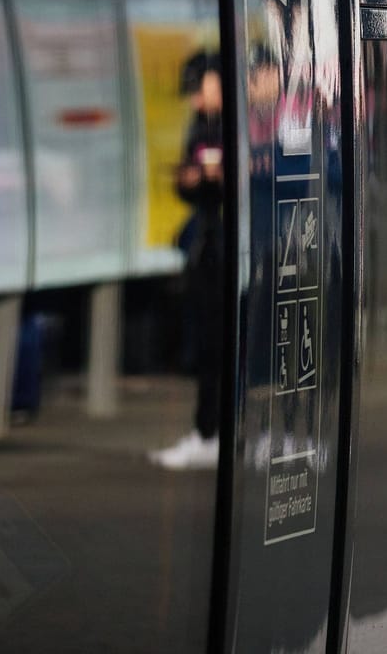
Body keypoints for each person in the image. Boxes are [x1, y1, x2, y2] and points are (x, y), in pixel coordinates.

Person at [150, 50, 227, 471]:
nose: (196, 102)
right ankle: (207, 431)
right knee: (207, 343)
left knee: (223, 345)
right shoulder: (200, 125)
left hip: (236, 247)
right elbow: (186, 177)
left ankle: (216, 432)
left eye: (199, 90)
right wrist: (190, 180)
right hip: (208, 244)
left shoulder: (241, 121)